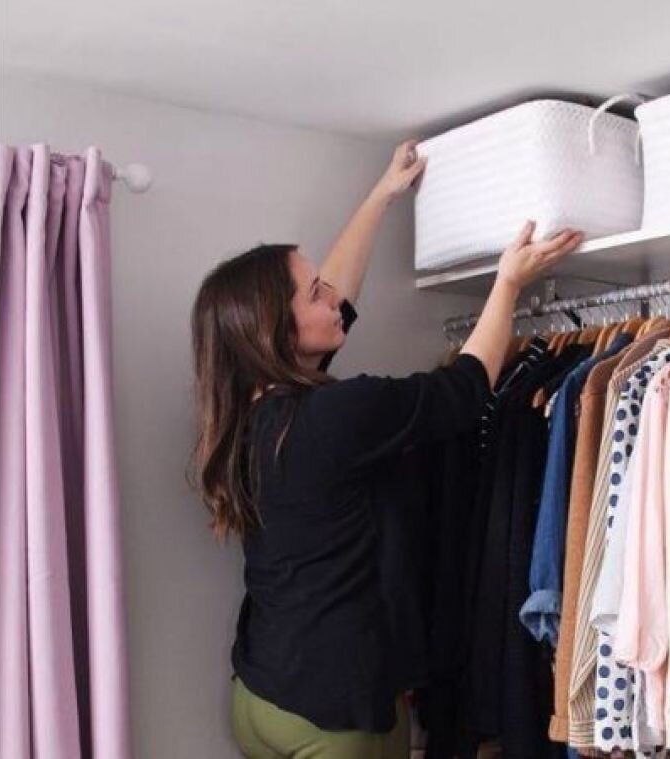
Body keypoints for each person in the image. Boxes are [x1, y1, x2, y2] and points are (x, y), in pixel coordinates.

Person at [188, 140, 583, 759]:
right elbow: (465, 389)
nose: (331, 297)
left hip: (261, 695)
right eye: (313, 293)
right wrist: (507, 283)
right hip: (336, 717)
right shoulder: (334, 415)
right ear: (275, 329)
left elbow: (338, 302)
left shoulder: (244, 413)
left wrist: (382, 195)